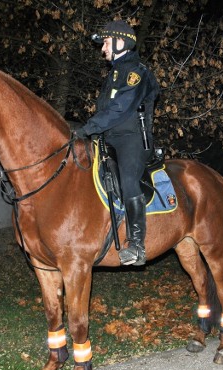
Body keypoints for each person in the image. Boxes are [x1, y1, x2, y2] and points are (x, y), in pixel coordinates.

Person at [72, 20, 160, 266]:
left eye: (107, 42)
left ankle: (137, 245)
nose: (103, 49)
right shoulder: (114, 75)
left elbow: (121, 108)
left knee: (129, 179)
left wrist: (87, 128)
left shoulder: (136, 73)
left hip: (132, 140)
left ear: (121, 42)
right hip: (108, 139)